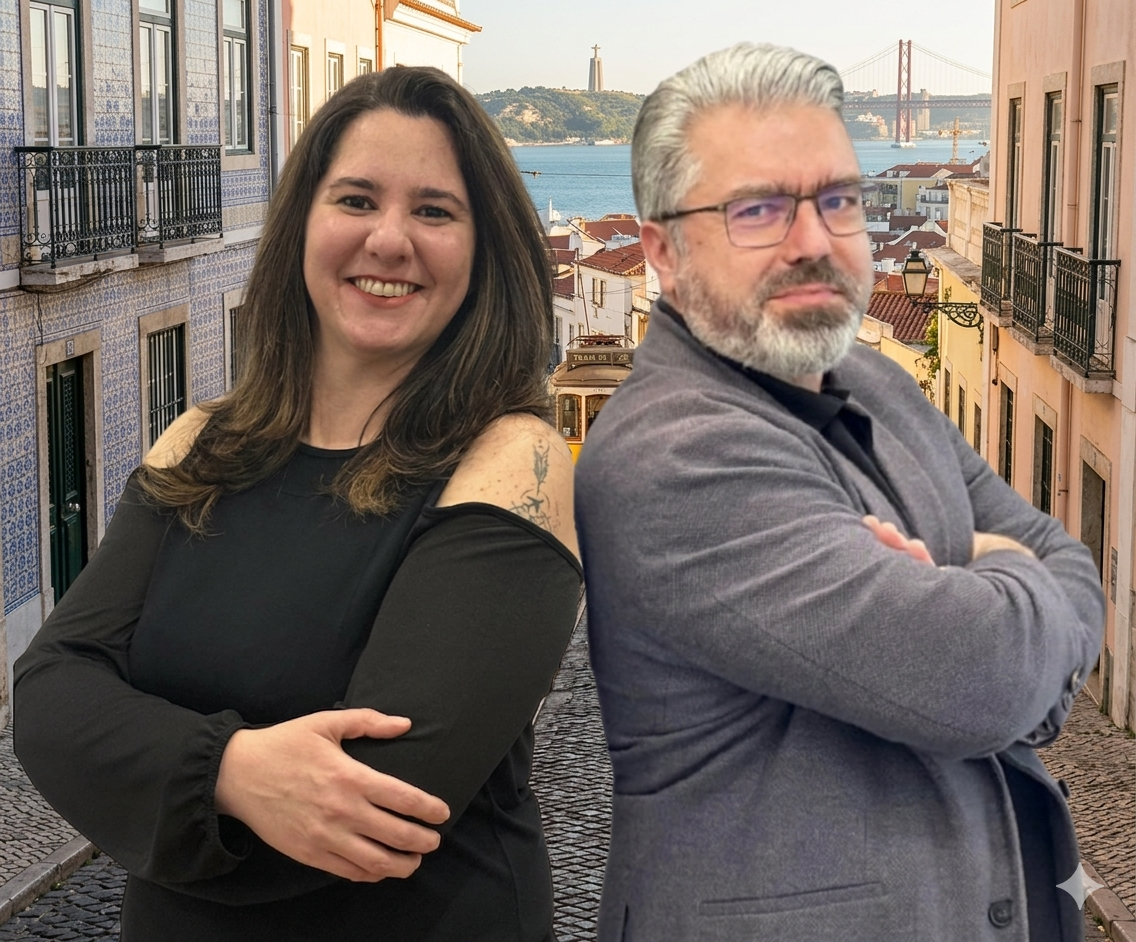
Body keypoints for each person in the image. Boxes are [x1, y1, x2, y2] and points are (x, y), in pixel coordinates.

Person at [14, 66, 581, 942]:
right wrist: (233, 771)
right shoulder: (202, 444)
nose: (388, 240)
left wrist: (145, 779)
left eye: (435, 211)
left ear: (485, 252)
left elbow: (379, 805)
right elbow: (49, 695)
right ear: (302, 226)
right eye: (355, 200)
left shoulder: (511, 459)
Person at [574, 43, 1104, 942]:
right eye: (757, 210)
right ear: (663, 249)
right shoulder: (671, 456)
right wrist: (996, 584)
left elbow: (1067, 565)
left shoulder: (877, 382)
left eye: (838, 201)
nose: (814, 242)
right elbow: (987, 677)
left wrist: (984, 594)